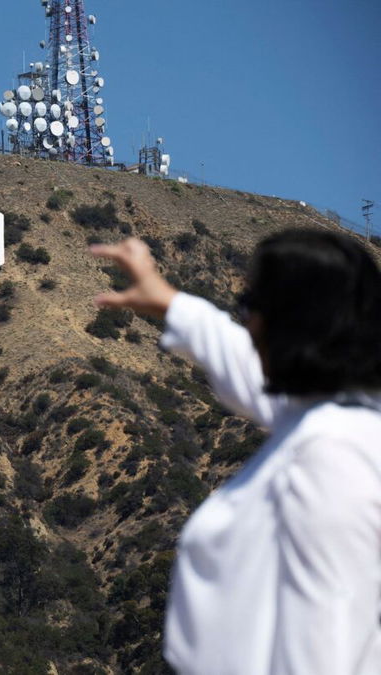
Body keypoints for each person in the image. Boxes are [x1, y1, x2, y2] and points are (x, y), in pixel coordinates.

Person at [92, 230, 381, 674]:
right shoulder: (332, 418)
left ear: (285, 324)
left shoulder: (332, 456)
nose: (246, 323)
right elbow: (245, 366)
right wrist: (169, 300)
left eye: (250, 307)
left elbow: (325, 649)